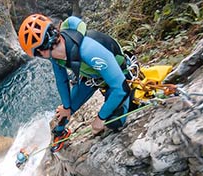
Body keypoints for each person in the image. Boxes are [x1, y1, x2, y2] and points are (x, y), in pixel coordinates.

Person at [18, 14, 132, 152]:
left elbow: (121, 88)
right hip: (91, 78)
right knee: (64, 113)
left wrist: (100, 118)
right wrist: (66, 107)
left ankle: (132, 101)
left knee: (114, 122)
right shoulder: (55, 56)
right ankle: (60, 133)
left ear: (41, 52)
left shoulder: (88, 50)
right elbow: (62, 81)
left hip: (117, 77)